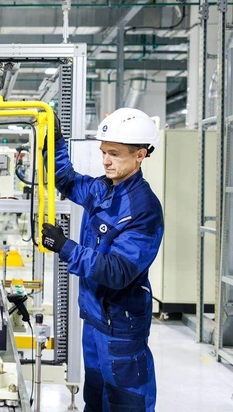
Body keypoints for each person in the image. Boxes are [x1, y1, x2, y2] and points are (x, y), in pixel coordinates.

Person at [41, 108, 164, 412]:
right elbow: (65, 179)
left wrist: (65, 247)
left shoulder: (143, 208)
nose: (106, 160)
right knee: (95, 398)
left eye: (115, 154)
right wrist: (54, 141)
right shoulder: (102, 189)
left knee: (125, 403)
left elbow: (118, 271)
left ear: (140, 155)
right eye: (104, 152)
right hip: (95, 319)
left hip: (121, 327)